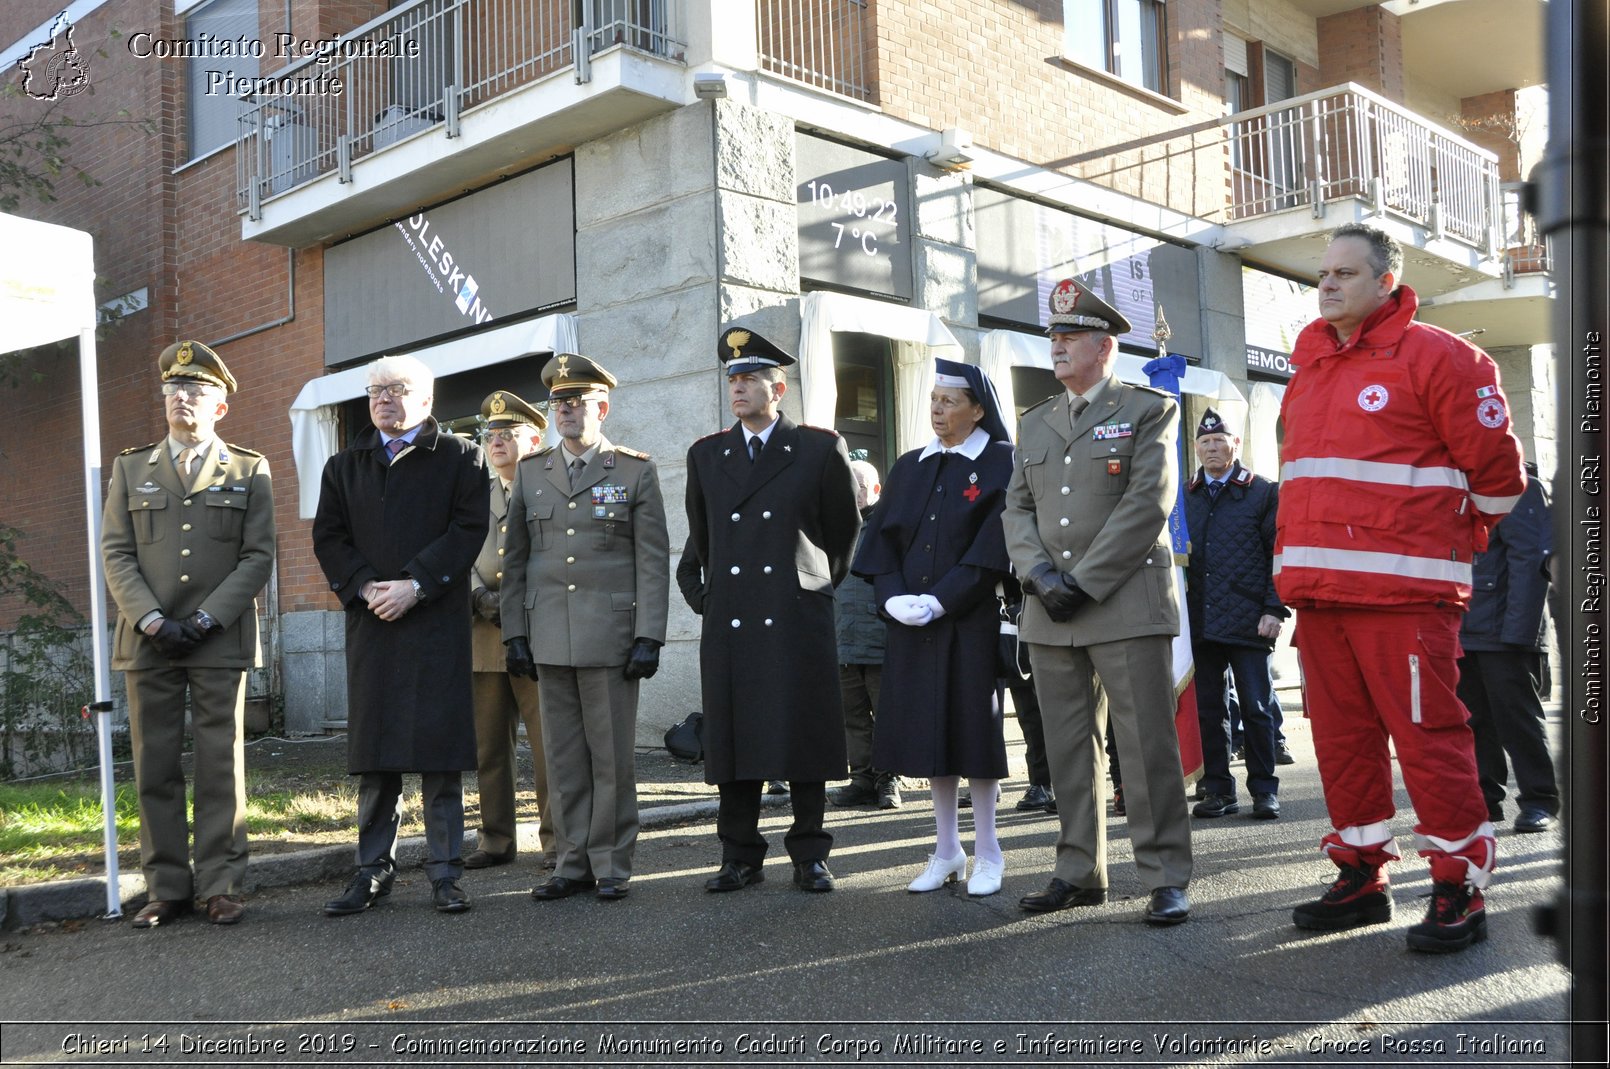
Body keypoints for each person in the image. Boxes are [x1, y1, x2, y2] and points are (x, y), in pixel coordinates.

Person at [1278, 223, 1526, 953]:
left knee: (1431, 742)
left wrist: (1442, 542)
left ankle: (1459, 883)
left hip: (1406, 599)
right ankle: (1361, 874)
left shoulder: (1443, 357)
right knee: (1343, 743)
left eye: (1345, 273)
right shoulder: (1312, 362)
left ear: (1387, 282)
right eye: (1322, 273)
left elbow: (1500, 482)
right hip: (1321, 597)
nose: (1328, 284)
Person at [1002, 278, 1192, 925]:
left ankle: (1165, 872)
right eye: (1053, 336)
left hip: (1122, 601)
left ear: (1105, 346)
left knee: (1144, 744)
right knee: (1068, 748)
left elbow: (1147, 504)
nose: (1056, 346)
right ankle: (1078, 868)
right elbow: (1017, 508)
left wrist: (1081, 581)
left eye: (1069, 336)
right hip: (1050, 608)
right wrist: (1037, 576)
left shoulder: (1147, 409)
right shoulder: (1036, 420)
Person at [102, 341, 275, 928]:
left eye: (197, 391)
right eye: (174, 390)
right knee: (154, 765)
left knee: (218, 762)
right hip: (147, 638)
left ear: (220, 406)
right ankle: (167, 886)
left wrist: (206, 619)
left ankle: (221, 883)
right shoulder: (131, 468)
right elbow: (116, 553)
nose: (183, 398)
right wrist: (151, 619)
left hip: (217, 638)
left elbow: (257, 556)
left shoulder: (250, 469)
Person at [681, 326, 861, 894]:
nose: (738, 387)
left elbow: (842, 534)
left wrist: (811, 586)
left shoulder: (816, 447)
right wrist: (707, 598)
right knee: (734, 738)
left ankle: (809, 852)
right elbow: (702, 538)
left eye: (750, 378)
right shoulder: (708, 454)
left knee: (803, 734)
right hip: (733, 614)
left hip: (795, 612)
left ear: (778, 387)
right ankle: (739, 854)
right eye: (733, 378)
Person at [313, 354, 489, 916]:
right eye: (374, 390)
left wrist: (417, 584)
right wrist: (366, 589)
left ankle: (444, 871)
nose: (383, 399)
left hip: (435, 620)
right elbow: (329, 538)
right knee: (378, 754)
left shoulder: (462, 456)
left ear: (427, 400)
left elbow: (469, 530)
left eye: (396, 388)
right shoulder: (345, 465)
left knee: (440, 753)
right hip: (373, 624)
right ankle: (371, 870)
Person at [502, 354, 670, 902]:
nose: (566, 411)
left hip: (612, 637)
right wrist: (514, 634)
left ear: (602, 407)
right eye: (559, 402)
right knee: (563, 757)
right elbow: (517, 562)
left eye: (576, 402)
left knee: (612, 757)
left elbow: (651, 560)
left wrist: (650, 635)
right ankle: (571, 863)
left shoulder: (632, 470)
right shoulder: (532, 471)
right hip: (548, 634)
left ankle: (612, 861)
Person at [854, 359, 1016, 895]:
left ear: (978, 408)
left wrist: (941, 600)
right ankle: (946, 849)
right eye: (933, 400)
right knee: (928, 735)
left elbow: (993, 547)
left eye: (949, 401)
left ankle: (990, 851)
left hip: (969, 623)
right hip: (911, 625)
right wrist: (892, 598)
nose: (937, 410)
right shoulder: (910, 465)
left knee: (974, 733)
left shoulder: (1000, 462)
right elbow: (879, 542)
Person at [464, 390, 555, 871]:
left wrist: (514, 602)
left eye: (508, 433)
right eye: (490, 435)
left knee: (548, 747)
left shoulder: (549, 487)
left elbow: (560, 557)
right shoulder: (475, 494)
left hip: (537, 633)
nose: (496, 442)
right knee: (489, 747)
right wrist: (478, 595)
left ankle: (556, 841)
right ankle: (496, 839)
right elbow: (459, 553)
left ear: (535, 438)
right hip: (483, 632)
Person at [1184, 407, 1287, 820]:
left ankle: (1264, 790)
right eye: (1205, 442)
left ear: (1235, 445)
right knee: (1209, 709)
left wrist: (1274, 608)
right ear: (1196, 448)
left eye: (1219, 441)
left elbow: (1278, 554)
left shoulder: (1262, 491)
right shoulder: (1183, 495)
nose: (1212, 448)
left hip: (1250, 618)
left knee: (1256, 708)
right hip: (1200, 620)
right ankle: (1218, 790)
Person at [1458, 462, 1558, 833]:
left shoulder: (1519, 485)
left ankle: (1539, 800)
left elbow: (1530, 562)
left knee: (1517, 720)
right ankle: (1484, 800)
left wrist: (1519, 633)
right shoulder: (1450, 483)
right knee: (1471, 720)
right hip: (1462, 625)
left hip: (1504, 631)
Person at [829, 454, 899, 811]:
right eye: (848, 485)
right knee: (852, 716)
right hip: (842, 640)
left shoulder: (889, 527)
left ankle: (889, 780)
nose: (854, 493)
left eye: (859, 486)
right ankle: (862, 778)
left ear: (875, 489)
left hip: (880, 639)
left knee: (886, 715)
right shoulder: (833, 528)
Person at [1002, 577, 1055, 815]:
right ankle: (1041, 782)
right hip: (1012, 618)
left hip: (1052, 610)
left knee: (1059, 710)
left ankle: (1067, 782)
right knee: (1028, 712)